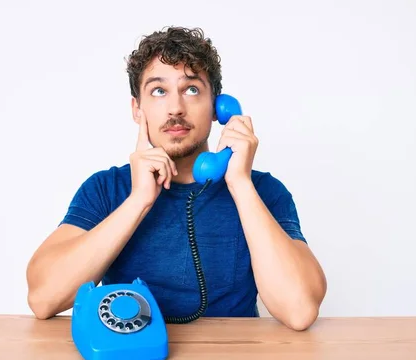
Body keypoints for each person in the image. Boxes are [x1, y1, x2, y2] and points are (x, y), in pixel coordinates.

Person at [26, 26, 327, 330]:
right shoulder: (106, 189)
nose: (175, 108)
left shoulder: (263, 191)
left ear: (218, 108)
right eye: (158, 91)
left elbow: (299, 310)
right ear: (137, 109)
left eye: (192, 89)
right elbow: (44, 298)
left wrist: (240, 183)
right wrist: (138, 201)